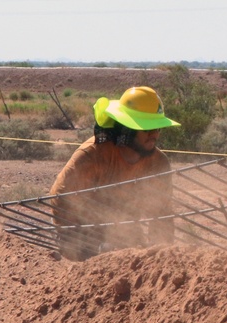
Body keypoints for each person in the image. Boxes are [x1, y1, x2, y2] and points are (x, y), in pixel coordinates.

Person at [50, 86, 179, 261]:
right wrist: (80, 247)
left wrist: (161, 255)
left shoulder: (158, 163)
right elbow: (62, 200)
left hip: (126, 228)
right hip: (83, 230)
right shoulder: (92, 154)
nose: (154, 134)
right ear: (127, 128)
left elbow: (161, 215)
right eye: (147, 129)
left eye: (157, 128)